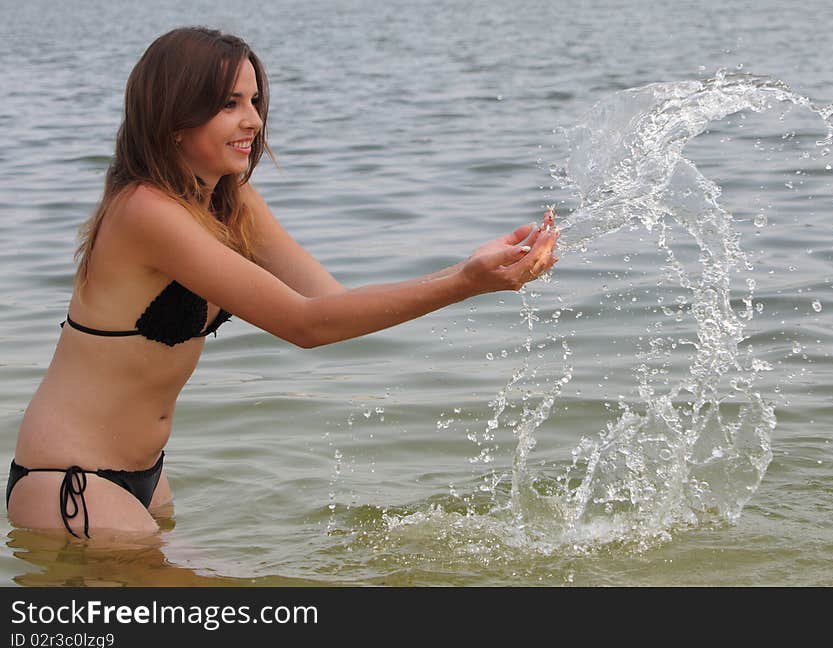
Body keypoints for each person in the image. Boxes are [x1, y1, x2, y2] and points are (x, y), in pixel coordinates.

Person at [5, 27, 559, 539]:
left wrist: (475, 267)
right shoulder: (144, 213)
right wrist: (466, 282)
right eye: (229, 104)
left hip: (142, 480)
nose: (252, 120)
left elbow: (329, 303)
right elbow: (304, 326)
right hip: (70, 483)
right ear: (174, 117)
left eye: (254, 102)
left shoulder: (228, 200)